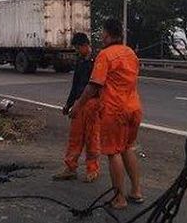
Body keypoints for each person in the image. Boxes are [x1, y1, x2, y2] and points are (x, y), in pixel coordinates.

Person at [70, 19, 143, 210]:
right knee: (128, 148)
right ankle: (136, 191)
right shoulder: (130, 53)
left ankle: (119, 199)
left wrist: (77, 106)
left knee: (113, 153)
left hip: (115, 110)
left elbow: (93, 85)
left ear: (108, 34)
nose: (101, 36)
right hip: (134, 108)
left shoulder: (105, 55)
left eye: (102, 33)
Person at [52, 33, 101, 183]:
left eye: (78, 48)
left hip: (93, 104)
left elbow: (95, 86)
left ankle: (92, 169)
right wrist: (68, 104)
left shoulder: (98, 61)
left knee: (92, 137)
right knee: (75, 137)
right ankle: (70, 168)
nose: (77, 51)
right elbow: (75, 86)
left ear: (85, 45)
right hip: (79, 104)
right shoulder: (80, 61)